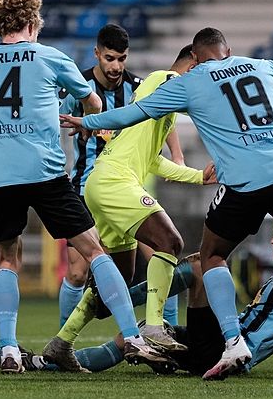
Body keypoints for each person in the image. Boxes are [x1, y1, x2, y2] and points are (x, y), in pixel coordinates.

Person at [61, 27, 273, 382]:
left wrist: (86, 121)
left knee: (211, 255)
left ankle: (233, 343)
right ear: (228, 50)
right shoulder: (264, 65)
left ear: (195, 58)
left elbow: (133, 114)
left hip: (245, 179)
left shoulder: (190, 81)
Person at [0, 0, 166, 373]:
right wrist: (83, 120)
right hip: (44, 171)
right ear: (33, 21)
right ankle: (133, 337)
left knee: (7, 259)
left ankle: (9, 349)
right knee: (94, 251)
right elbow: (93, 102)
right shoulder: (51, 57)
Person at [55, 44, 214, 355]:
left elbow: (153, 160)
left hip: (105, 182)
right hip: (114, 182)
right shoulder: (164, 78)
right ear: (194, 64)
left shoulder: (159, 109)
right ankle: (154, 328)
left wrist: (198, 177)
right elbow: (194, 96)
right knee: (170, 242)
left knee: (116, 282)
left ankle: (61, 342)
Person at [28, 220, 273, 381]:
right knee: (136, 335)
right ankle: (45, 362)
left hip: (228, 349)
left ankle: (117, 300)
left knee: (198, 267)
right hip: (218, 345)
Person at [57, 24, 143, 328]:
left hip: (122, 188)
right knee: (77, 272)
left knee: (160, 252)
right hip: (82, 188)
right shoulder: (78, 86)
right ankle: (62, 340)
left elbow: (161, 118)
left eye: (122, 58)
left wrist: (178, 156)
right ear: (97, 53)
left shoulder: (136, 88)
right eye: (110, 58)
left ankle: (157, 329)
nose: (116, 66)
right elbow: (53, 122)